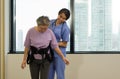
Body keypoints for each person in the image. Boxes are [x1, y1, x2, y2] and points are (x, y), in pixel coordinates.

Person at [48, 8, 70, 79]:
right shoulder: (50, 22)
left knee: (60, 75)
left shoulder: (65, 28)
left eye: (64, 18)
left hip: (59, 54)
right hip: (49, 52)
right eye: (60, 16)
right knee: (49, 75)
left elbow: (64, 44)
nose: (61, 19)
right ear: (58, 14)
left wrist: (54, 43)